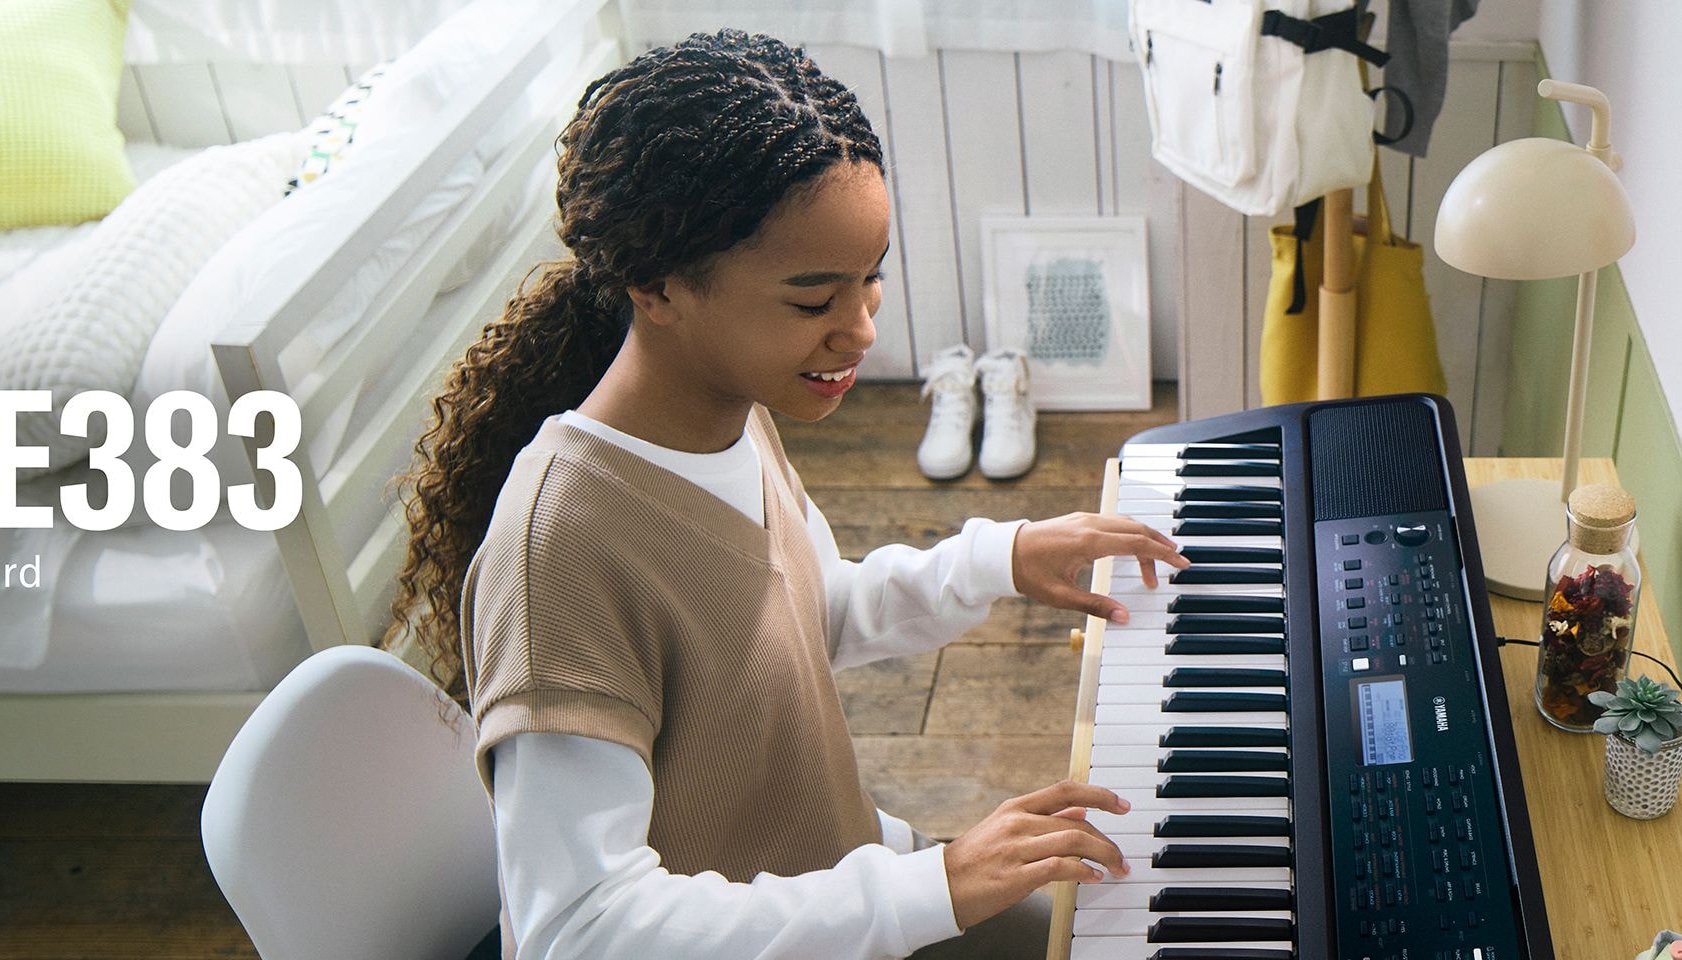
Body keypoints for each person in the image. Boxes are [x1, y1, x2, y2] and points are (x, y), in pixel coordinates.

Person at [389, 29, 1191, 958]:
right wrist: (931, 886)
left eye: (872, 281)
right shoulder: (558, 551)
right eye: (814, 303)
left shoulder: (733, 407)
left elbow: (804, 616)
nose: (859, 333)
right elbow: (579, 928)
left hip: (836, 879)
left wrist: (997, 560)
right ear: (659, 286)